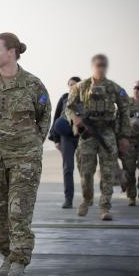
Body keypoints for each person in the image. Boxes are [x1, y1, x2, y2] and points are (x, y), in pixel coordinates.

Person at [0, 33, 51, 276]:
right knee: (0, 213)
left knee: (19, 211)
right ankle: (6, 255)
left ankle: (19, 262)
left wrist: (31, 147)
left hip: (25, 160)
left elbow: (44, 117)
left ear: (12, 52)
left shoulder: (33, 84)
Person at [66, 54, 130, 220]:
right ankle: (87, 199)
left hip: (107, 134)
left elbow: (125, 111)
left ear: (106, 67)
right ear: (93, 66)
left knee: (108, 172)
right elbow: (69, 107)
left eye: (103, 65)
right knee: (86, 172)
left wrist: (123, 136)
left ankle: (104, 207)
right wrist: (75, 119)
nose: (100, 68)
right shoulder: (81, 87)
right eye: (98, 65)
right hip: (87, 134)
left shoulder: (115, 88)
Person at [48, 77, 81, 208]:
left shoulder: (86, 99)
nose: (72, 87)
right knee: (68, 168)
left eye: (75, 84)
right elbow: (56, 118)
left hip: (82, 136)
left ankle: (87, 198)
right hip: (66, 137)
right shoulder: (64, 98)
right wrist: (56, 139)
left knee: (85, 169)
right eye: (70, 84)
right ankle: (69, 199)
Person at [119, 81, 139, 206]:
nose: (137, 90)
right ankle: (131, 195)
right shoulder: (126, 105)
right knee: (129, 168)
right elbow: (119, 121)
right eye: (135, 88)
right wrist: (121, 139)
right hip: (129, 141)